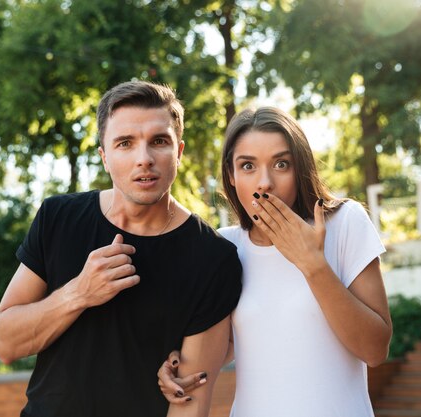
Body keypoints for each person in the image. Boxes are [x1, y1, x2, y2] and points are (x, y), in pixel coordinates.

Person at [0, 80, 243, 417]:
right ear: (105, 157)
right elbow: (6, 344)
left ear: (179, 152)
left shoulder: (213, 258)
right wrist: (79, 293)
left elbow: (188, 405)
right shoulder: (59, 218)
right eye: (125, 143)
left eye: (159, 141)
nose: (144, 159)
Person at [158, 107, 393, 416]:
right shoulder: (224, 246)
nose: (265, 182)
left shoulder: (344, 223)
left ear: (301, 168)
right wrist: (174, 365)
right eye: (248, 166)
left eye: (281, 164)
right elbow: (224, 346)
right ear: (231, 174)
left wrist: (314, 266)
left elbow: (375, 351)